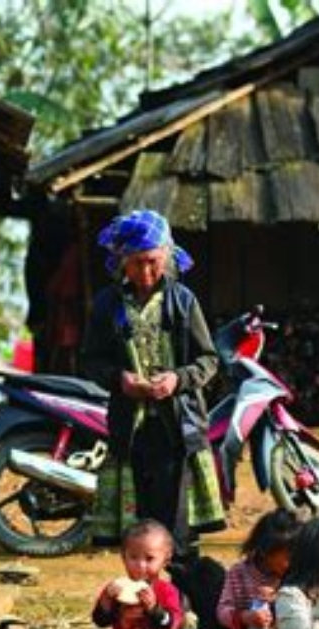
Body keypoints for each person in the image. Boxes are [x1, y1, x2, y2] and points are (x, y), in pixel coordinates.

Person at [81, 209, 224, 560]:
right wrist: (120, 379)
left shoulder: (184, 302)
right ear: (121, 262)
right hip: (130, 431)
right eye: (137, 263)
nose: (146, 273)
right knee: (137, 535)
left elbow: (209, 361)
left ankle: (180, 608)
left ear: (168, 256)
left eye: (154, 262)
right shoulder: (106, 305)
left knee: (179, 533)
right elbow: (90, 361)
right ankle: (145, 606)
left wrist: (178, 379)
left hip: (177, 430)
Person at [91, 519, 184, 629]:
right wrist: (107, 599)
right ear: (123, 557)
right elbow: (100, 621)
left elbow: (171, 626)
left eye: (149, 558)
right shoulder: (116, 589)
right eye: (133, 557)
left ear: (166, 560)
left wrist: (154, 609)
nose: (141, 565)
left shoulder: (167, 591)